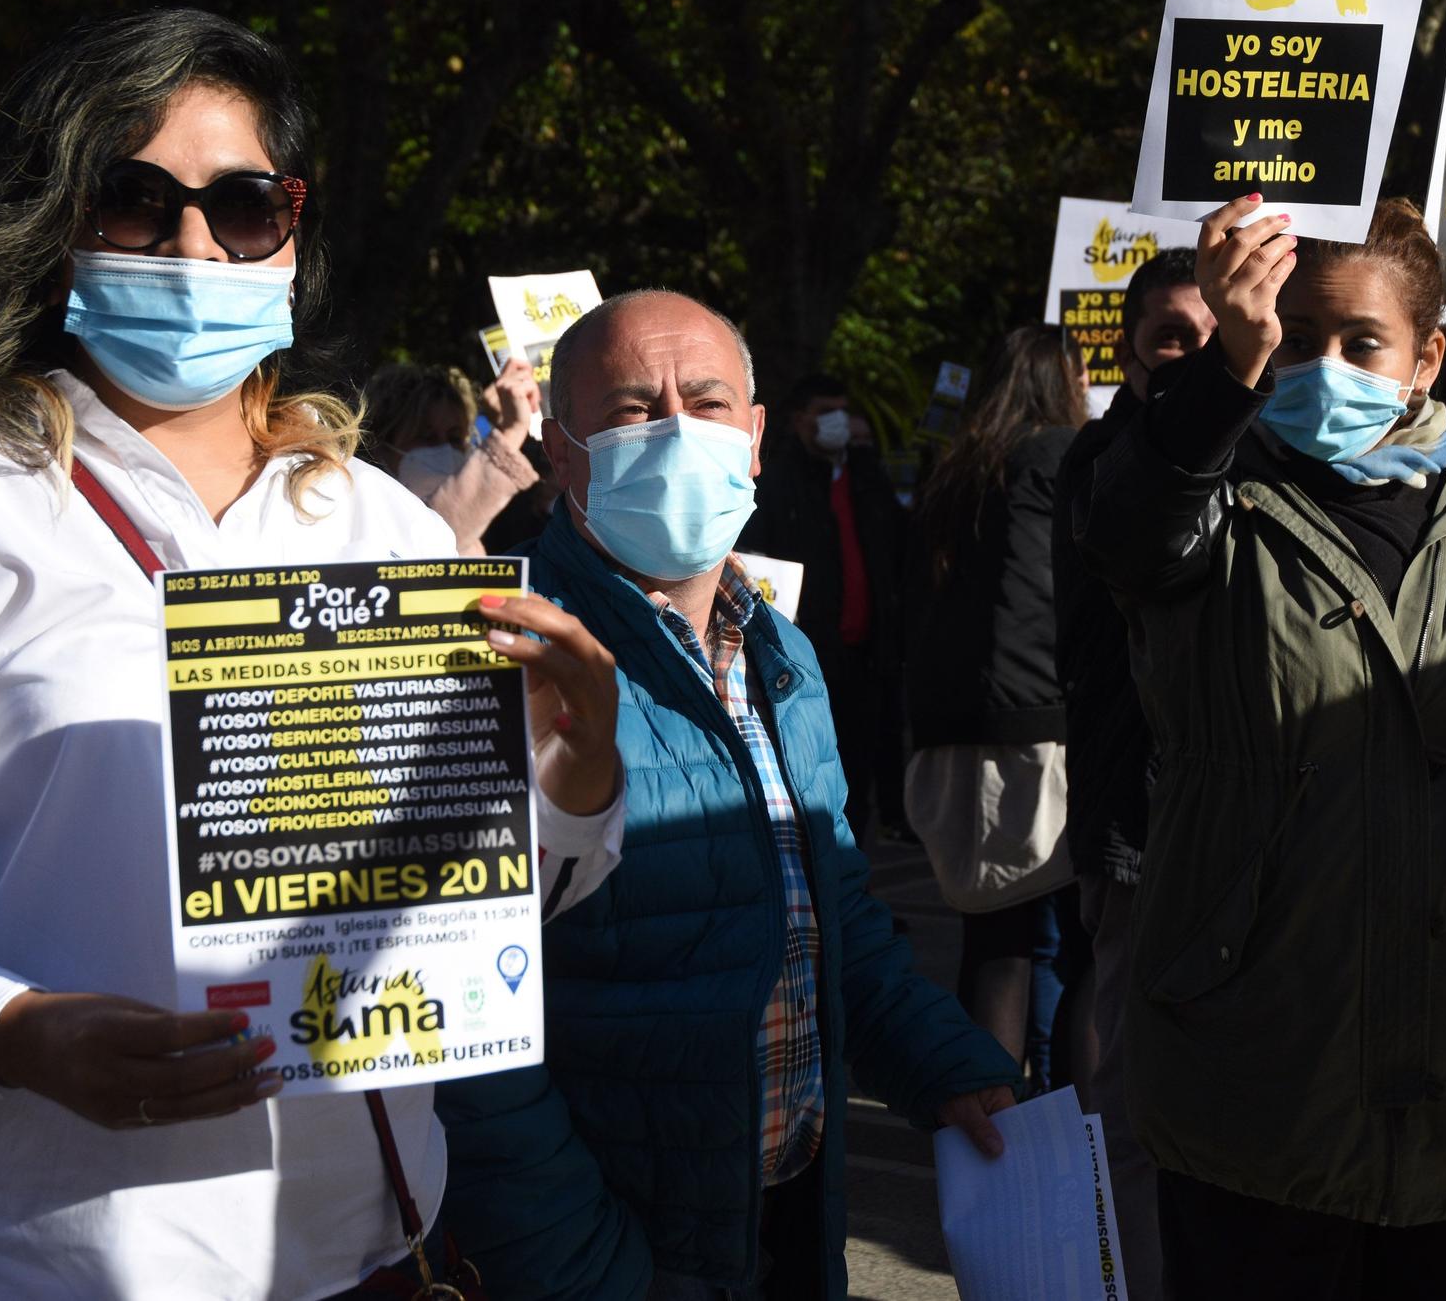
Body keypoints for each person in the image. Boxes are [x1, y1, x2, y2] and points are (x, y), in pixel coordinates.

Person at [0, 9, 627, 1299]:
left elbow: (488, 903)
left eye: (241, 205)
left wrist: (576, 768)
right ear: (61, 232)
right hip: (33, 1253)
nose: (191, 242)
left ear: (292, 231)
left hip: (361, 1250)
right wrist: (13, 1031)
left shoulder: (389, 523)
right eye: (135, 198)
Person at [433, 289, 1020, 1300]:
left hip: (779, 1225)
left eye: (703, 402)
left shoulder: (781, 651)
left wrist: (941, 1061)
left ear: (752, 439)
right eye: (628, 408)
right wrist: (577, 1265)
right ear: (561, 451)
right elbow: (457, 1019)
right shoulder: (496, 654)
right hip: (609, 1249)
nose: (671, 428)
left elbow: (833, 907)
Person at [1075, 195, 1446, 1298]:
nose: (1324, 366)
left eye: (1359, 341)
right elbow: (1126, 530)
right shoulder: (1207, 496)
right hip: (1266, 1071)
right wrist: (1225, 364)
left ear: (1424, 358)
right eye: (1297, 336)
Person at [1051, 245, 1214, 1296]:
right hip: (1139, 825)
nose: (1197, 357)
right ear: (1126, 349)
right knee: (1131, 1102)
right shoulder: (1105, 465)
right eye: (1171, 339)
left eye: (1218, 336)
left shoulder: (1270, 456)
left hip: (1257, 832)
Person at [904, 325, 1088, 1083]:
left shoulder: (958, 468)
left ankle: (991, 1134)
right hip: (1039, 724)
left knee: (996, 945)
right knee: (1080, 952)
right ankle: (1079, 1139)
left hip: (951, 726)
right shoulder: (1058, 455)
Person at [739, 372, 906, 841]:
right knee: (818, 782)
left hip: (869, 654)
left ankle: (860, 888)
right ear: (797, 422)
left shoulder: (865, 478)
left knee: (863, 775)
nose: (838, 423)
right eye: (825, 413)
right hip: (811, 657)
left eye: (843, 411)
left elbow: (895, 546)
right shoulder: (778, 485)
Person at [364, 357, 543, 554]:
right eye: (427, 437)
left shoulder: (480, 531)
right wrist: (512, 429)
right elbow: (435, 536)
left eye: (455, 437)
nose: (444, 448)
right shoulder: (366, 515)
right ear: (381, 447)